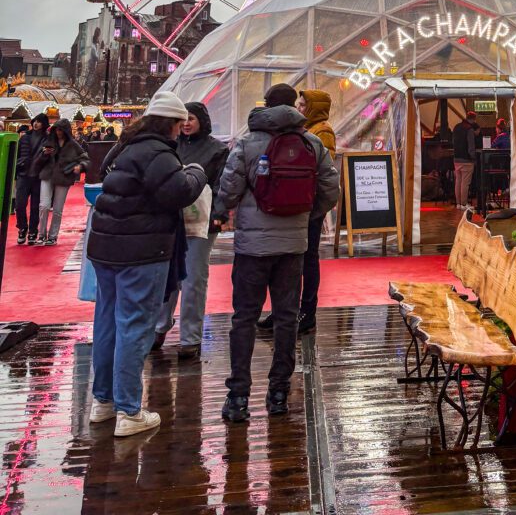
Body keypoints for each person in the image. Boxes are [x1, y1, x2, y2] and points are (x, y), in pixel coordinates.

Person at [212, 83, 339, 423]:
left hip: (252, 248)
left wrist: (227, 211)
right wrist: (304, 216)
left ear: (265, 105)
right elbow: (331, 189)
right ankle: (279, 392)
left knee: (244, 317)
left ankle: (238, 396)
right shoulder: (311, 142)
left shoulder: (248, 143)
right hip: (293, 245)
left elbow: (228, 189)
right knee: (286, 317)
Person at [86, 91, 207, 437]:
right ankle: (129, 410)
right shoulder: (158, 153)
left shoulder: (125, 146)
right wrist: (197, 173)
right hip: (142, 251)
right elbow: (178, 192)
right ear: (170, 124)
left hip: (107, 247)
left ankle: (103, 402)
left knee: (107, 321)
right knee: (135, 326)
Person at [257, 89, 336, 335]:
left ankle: (306, 312)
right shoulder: (302, 130)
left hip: (308, 205)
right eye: (298, 104)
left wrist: (317, 208)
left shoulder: (321, 132)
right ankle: (285, 311)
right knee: (290, 261)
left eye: (303, 105)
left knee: (308, 259)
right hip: (297, 203)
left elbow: (325, 173)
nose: (299, 108)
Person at [154, 100, 229, 359]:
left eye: (192, 118)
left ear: (202, 120)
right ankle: (159, 326)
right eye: (183, 118)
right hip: (172, 219)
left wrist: (219, 214)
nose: (186, 123)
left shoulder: (217, 150)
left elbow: (222, 185)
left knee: (194, 278)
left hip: (202, 222)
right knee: (167, 276)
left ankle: (191, 337)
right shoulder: (170, 146)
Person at [36, 118, 88, 245]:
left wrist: (80, 166)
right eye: (56, 129)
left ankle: (52, 236)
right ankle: (41, 234)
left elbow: (85, 158)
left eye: (60, 129)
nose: (58, 132)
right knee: (44, 206)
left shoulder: (73, 144)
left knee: (58, 209)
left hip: (63, 177)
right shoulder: (49, 141)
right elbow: (38, 160)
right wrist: (44, 154)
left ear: (66, 131)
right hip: (47, 174)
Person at [14, 113, 51, 245]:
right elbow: (16, 155)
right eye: (35, 121)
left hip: (38, 176)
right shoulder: (25, 138)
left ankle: (33, 231)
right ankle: (22, 228)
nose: (36, 124)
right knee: (19, 204)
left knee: (35, 206)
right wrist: (16, 171)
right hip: (23, 175)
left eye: (39, 121)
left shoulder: (48, 139)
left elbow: (51, 158)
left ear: (44, 123)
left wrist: (46, 156)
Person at [452, 111, 479, 209]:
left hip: (456, 159)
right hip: (466, 160)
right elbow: (471, 147)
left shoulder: (456, 127)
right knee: (465, 183)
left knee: (458, 181)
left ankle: (458, 204)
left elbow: (453, 142)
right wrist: (474, 158)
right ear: (474, 119)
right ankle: (464, 204)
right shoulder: (469, 129)